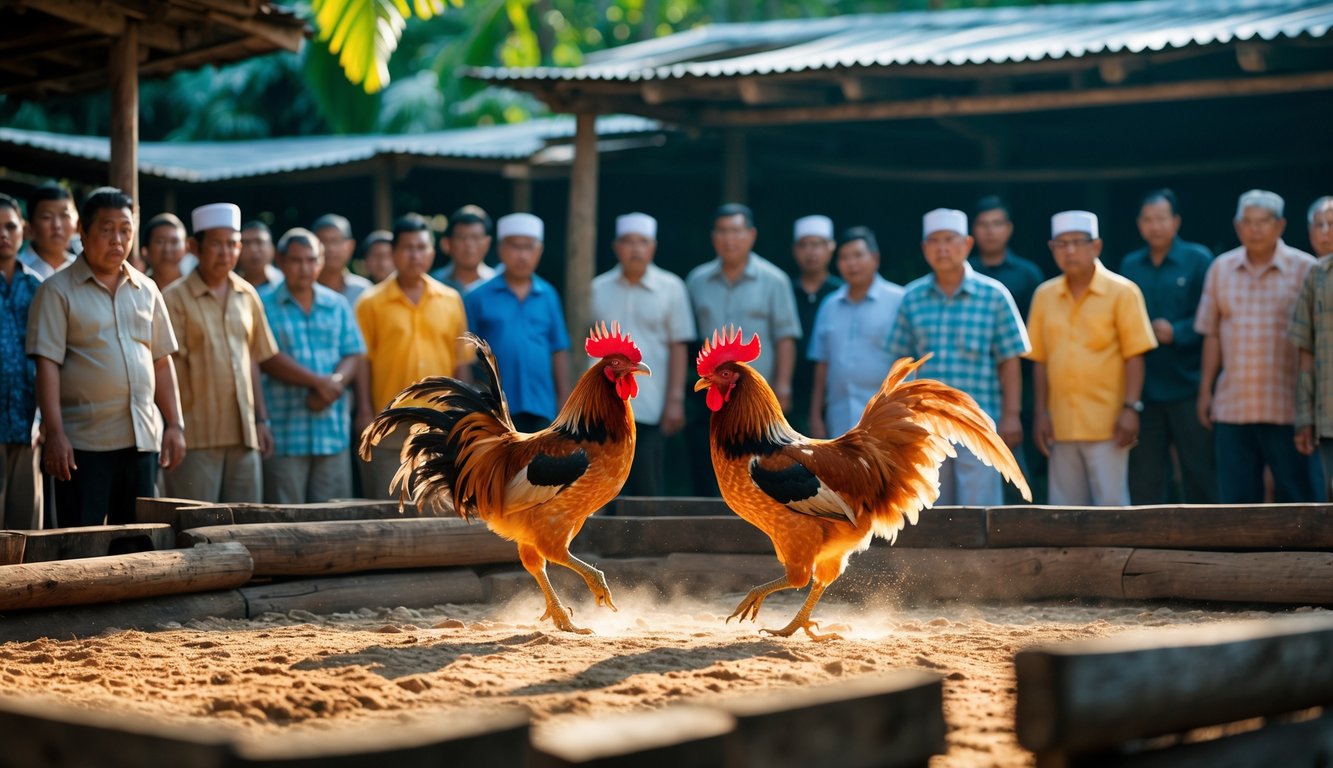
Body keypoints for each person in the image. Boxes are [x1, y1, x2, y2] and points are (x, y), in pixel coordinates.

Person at [27, 187, 185, 526]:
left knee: (139, 540)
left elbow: (161, 360)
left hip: (142, 438)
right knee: (81, 545)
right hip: (83, 445)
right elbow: (47, 365)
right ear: (82, 232)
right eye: (106, 229)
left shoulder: (147, 289)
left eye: (125, 230)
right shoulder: (56, 291)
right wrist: (54, 433)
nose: (117, 239)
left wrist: (175, 424)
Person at [888, 209, 1029, 506]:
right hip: (926, 425)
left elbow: (1009, 360)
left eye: (949, 240)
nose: (942, 249)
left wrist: (1012, 415)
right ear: (924, 249)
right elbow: (901, 364)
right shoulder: (911, 297)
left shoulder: (994, 295)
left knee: (981, 510)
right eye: (934, 241)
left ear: (967, 243)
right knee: (932, 510)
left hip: (979, 421)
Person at [1027, 210, 1156, 507]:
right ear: (1052, 249)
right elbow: (1040, 361)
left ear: (1096, 246)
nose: (1069, 250)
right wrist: (1040, 414)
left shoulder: (1123, 292)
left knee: (1112, 509)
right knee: (1064, 511)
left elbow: (1134, 355)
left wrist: (1131, 408)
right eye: (1061, 244)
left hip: (1108, 423)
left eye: (1077, 243)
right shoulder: (1044, 295)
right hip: (1060, 423)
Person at [1195, 190, 1316, 503]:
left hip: (1287, 407)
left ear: (1280, 226)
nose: (1254, 229)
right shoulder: (1221, 268)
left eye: (1263, 222)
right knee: (1237, 501)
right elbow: (1211, 334)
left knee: (1296, 496)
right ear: (1237, 226)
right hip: (1233, 405)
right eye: (1247, 222)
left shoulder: (1306, 269)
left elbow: (1314, 344)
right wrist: (1205, 390)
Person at [162, 203, 278, 504]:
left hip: (244, 434)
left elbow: (252, 358)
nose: (225, 252)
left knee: (245, 527)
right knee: (194, 530)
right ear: (194, 247)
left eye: (232, 244)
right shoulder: (173, 298)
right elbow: (163, 365)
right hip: (194, 436)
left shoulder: (247, 294)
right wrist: (172, 426)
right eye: (216, 243)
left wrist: (262, 420)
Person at [685, 203, 801, 495]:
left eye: (736, 231)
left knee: (761, 467)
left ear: (751, 235)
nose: (729, 239)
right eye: (722, 232)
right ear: (713, 238)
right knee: (710, 464)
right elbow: (689, 340)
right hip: (713, 393)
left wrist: (784, 386)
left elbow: (785, 337)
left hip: (755, 398)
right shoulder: (697, 281)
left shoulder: (775, 280)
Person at [357, 213, 474, 498]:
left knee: (437, 507)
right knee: (386, 507)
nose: (415, 255)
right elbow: (363, 362)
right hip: (388, 422)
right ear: (394, 253)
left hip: (438, 422)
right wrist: (363, 410)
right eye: (407, 248)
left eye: (421, 247)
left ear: (432, 252)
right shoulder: (371, 302)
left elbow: (461, 361)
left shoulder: (450, 299)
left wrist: (463, 414)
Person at [1117, 189, 1217, 504]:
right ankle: (1150, 550)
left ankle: (1210, 544)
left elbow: (1214, 315)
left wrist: (1179, 331)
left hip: (1189, 385)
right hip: (1145, 391)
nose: (1155, 226)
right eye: (1148, 220)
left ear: (1176, 221)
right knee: (1145, 479)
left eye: (1161, 218)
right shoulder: (1130, 265)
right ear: (1138, 224)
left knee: (1200, 472)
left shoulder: (1198, 260)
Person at [590, 212, 696, 496]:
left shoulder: (672, 288)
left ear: (653, 247)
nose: (635, 248)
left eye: (642, 241)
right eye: (628, 241)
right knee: (601, 487)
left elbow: (678, 345)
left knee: (646, 485)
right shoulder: (596, 288)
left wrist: (675, 399)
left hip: (650, 404)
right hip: (602, 407)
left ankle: (648, 541)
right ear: (616, 247)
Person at [259, 228, 365, 503]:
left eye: (311, 260)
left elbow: (354, 352)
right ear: (280, 262)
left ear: (321, 262)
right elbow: (266, 357)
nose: (305, 268)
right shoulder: (262, 304)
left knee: (334, 521)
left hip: (331, 432)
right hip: (283, 434)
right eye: (296, 261)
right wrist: (319, 383)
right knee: (284, 524)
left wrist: (336, 383)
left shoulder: (337, 303)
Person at [464, 212, 569, 433]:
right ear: (501, 249)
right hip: (493, 409)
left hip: (542, 405)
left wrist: (565, 401)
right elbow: (464, 357)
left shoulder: (548, 295)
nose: (522, 255)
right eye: (515, 247)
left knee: (539, 467)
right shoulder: (477, 297)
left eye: (529, 247)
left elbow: (558, 349)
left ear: (539, 251)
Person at [808, 226, 905, 439]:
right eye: (844, 257)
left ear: (875, 258)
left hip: (887, 417)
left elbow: (912, 361)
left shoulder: (899, 300)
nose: (851, 263)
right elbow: (822, 365)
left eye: (858, 255)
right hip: (839, 416)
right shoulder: (829, 305)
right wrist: (816, 415)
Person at [0, 194, 42, 529]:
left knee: (24, 530)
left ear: (23, 230)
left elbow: (52, 359)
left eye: (10, 226)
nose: (3, 234)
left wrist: (44, 420)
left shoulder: (38, 288)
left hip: (30, 426)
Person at [789, 214, 842, 434]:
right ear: (795, 250)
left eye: (817, 245)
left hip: (832, 388)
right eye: (804, 245)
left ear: (831, 248)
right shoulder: (786, 290)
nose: (811, 251)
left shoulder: (841, 292)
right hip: (791, 388)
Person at [1294, 196, 1333, 495]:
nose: (1325, 231)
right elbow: (1305, 351)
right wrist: (1305, 416)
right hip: (1328, 416)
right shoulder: (1317, 275)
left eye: (1331, 224)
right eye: (1319, 225)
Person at [968, 195, 1045, 320]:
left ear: (1009, 228)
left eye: (997, 224)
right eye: (983, 224)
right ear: (973, 229)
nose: (990, 231)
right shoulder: (963, 272)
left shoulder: (1028, 275)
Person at [431, 206, 496, 294]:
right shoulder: (433, 283)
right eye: (462, 237)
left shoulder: (497, 284)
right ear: (447, 243)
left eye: (475, 237)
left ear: (488, 243)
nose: (469, 244)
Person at [19, 181, 78, 279]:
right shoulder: (16, 269)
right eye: (47, 217)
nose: (57, 225)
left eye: (65, 215)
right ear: (31, 226)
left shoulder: (83, 268)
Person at [313, 213, 373, 307]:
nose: (330, 248)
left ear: (350, 246)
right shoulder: (302, 290)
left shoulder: (364, 292)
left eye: (336, 241)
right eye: (323, 242)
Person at [140, 212, 194, 290]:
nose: (167, 249)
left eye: (174, 242)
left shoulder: (196, 288)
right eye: (160, 241)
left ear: (187, 248)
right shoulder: (138, 290)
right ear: (145, 251)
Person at [237, 220, 282, 294]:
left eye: (259, 242)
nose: (253, 249)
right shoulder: (229, 288)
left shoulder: (286, 284)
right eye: (246, 243)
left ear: (272, 249)